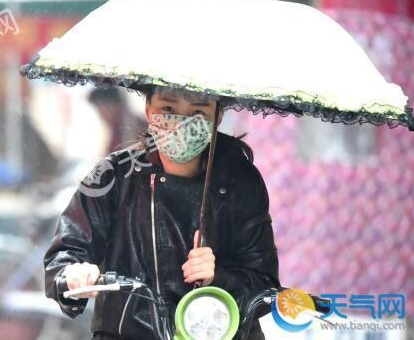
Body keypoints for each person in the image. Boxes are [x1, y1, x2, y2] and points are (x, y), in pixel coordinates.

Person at [44, 86, 280, 339]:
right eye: (168, 109)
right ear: (148, 109)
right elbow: (66, 254)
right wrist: (74, 275)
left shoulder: (241, 180)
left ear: (218, 116)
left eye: (198, 111)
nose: (182, 121)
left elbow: (265, 288)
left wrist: (218, 279)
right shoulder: (114, 176)